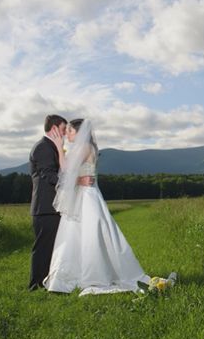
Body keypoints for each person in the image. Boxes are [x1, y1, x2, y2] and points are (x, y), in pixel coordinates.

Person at [43, 118, 152, 295]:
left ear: (79, 133)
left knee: (90, 234)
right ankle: (74, 275)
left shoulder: (85, 147)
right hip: (84, 194)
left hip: (86, 197)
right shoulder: (86, 147)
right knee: (77, 235)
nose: (67, 135)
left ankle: (94, 274)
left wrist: (58, 147)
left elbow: (66, 170)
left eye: (70, 131)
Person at [28, 115, 94, 291]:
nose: (65, 133)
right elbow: (49, 175)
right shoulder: (43, 147)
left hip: (54, 206)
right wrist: (76, 181)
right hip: (45, 206)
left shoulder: (51, 147)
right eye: (64, 129)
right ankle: (35, 284)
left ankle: (48, 280)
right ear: (54, 128)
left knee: (54, 247)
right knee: (43, 247)